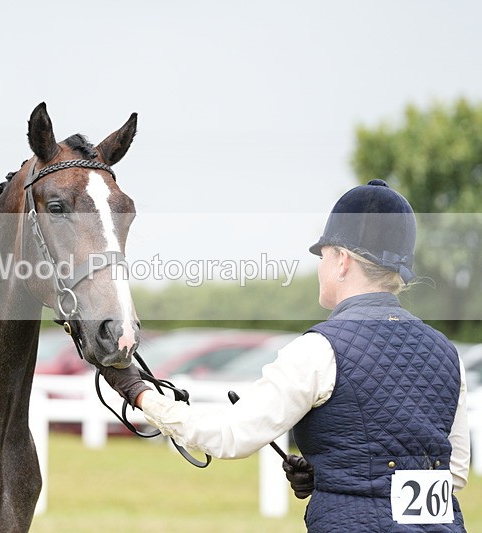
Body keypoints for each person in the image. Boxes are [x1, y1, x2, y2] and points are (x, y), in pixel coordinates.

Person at [100, 180, 470, 532]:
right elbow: (452, 473)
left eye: (323, 255)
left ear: (341, 260)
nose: (322, 266)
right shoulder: (447, 352)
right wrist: (330, 469)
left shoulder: (319, 349)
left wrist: (139, 393)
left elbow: (230, 435)